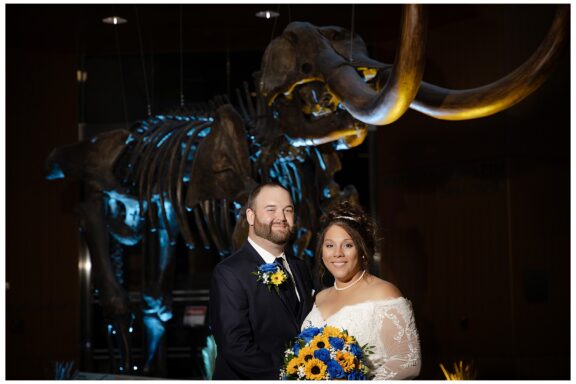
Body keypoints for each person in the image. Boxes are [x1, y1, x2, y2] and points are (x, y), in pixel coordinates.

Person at [302, 201, 421, 380]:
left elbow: (409, 360)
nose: (337, 253)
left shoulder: (384, 292)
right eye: (330, 245)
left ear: (362, 250)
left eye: (348, 245)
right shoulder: (319, 298)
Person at [209, 182, 314, 379]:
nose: (281, 218)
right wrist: (290, 377)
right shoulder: (229, 273)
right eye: (271, 209)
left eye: (288, 210)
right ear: (250, 216)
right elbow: (235, 346)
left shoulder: (300, 268)